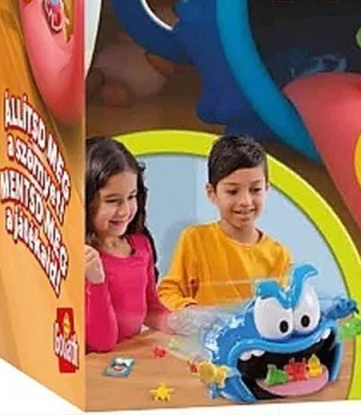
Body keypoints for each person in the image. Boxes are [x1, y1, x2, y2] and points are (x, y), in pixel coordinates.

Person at [158, 136, 292, 310]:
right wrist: (192, 312)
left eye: (255, 190)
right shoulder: (195, 240)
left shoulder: (278, 255)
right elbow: (167, 293)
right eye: (232, 191)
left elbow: (280, 309)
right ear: (212, 193)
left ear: (266, 189)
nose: (245, 201)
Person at [84, 137, 172, 352]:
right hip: (93, 364)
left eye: (131, 197)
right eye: (112, 201)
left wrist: (187, 325)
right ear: (85, 200)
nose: (125, 211)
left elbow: (151, 310)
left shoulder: (140, 244)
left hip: (129, 357)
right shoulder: (83, 258)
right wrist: (96, 280)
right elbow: (102, 343)